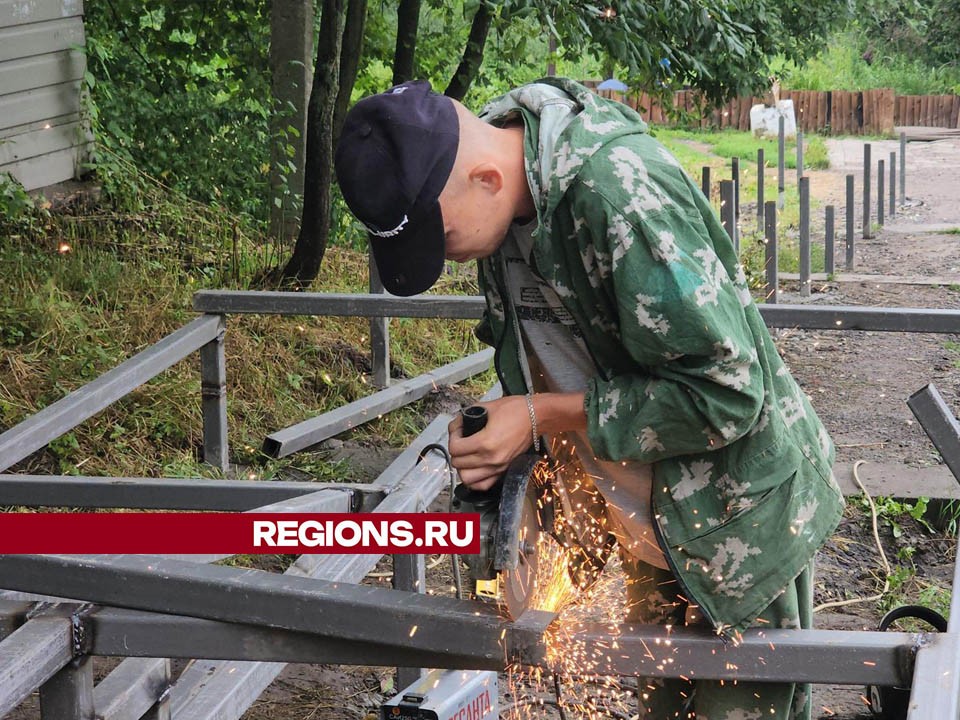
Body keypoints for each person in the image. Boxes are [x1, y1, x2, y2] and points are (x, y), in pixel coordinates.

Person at [335, 77, 844, 719]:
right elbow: (546, 355)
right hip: (648, 520)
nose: (447, 256)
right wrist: (511, 445)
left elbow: (728, 393)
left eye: (439, 237)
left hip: (729, 528)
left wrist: (539, 414)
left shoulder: (621, 197)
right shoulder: (503, 202)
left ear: (487, 179)